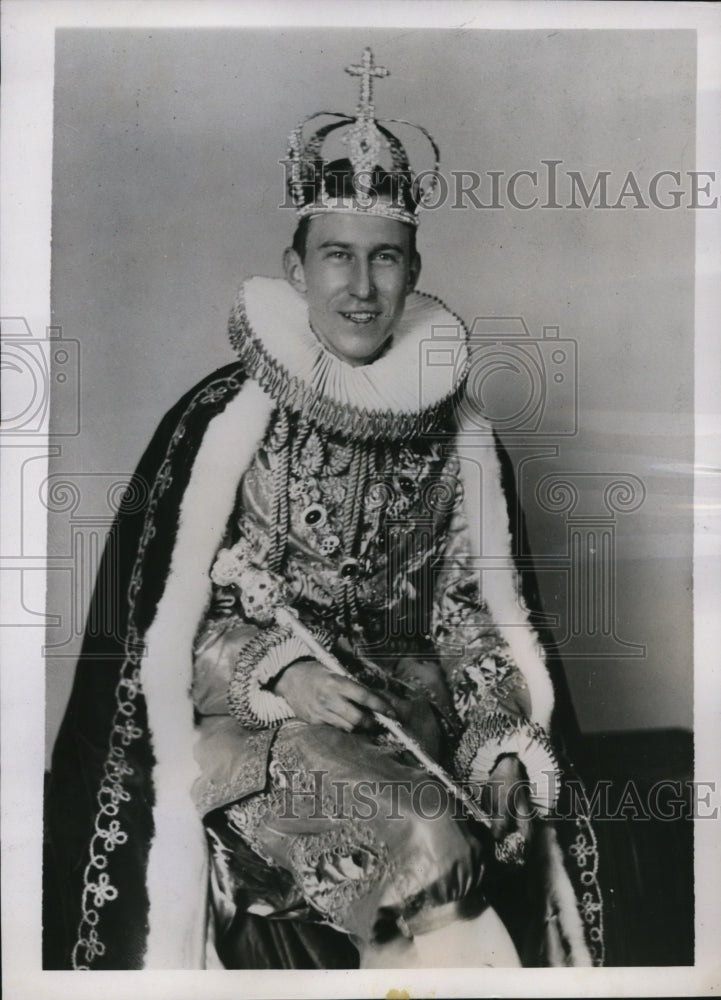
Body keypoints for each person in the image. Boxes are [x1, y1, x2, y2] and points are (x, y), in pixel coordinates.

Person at [43, 48, 604, 971]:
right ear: (295, 267)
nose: (359, 286)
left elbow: (469, 619)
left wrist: (502, 740)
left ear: (412, 267)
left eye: (383, 258)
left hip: (409, 729)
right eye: (335, 256)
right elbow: (166, 630)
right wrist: (285, 675)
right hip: (257, 735)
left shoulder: (453, 436)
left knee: (468, 847)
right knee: (427, 848)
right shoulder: (223, 424)